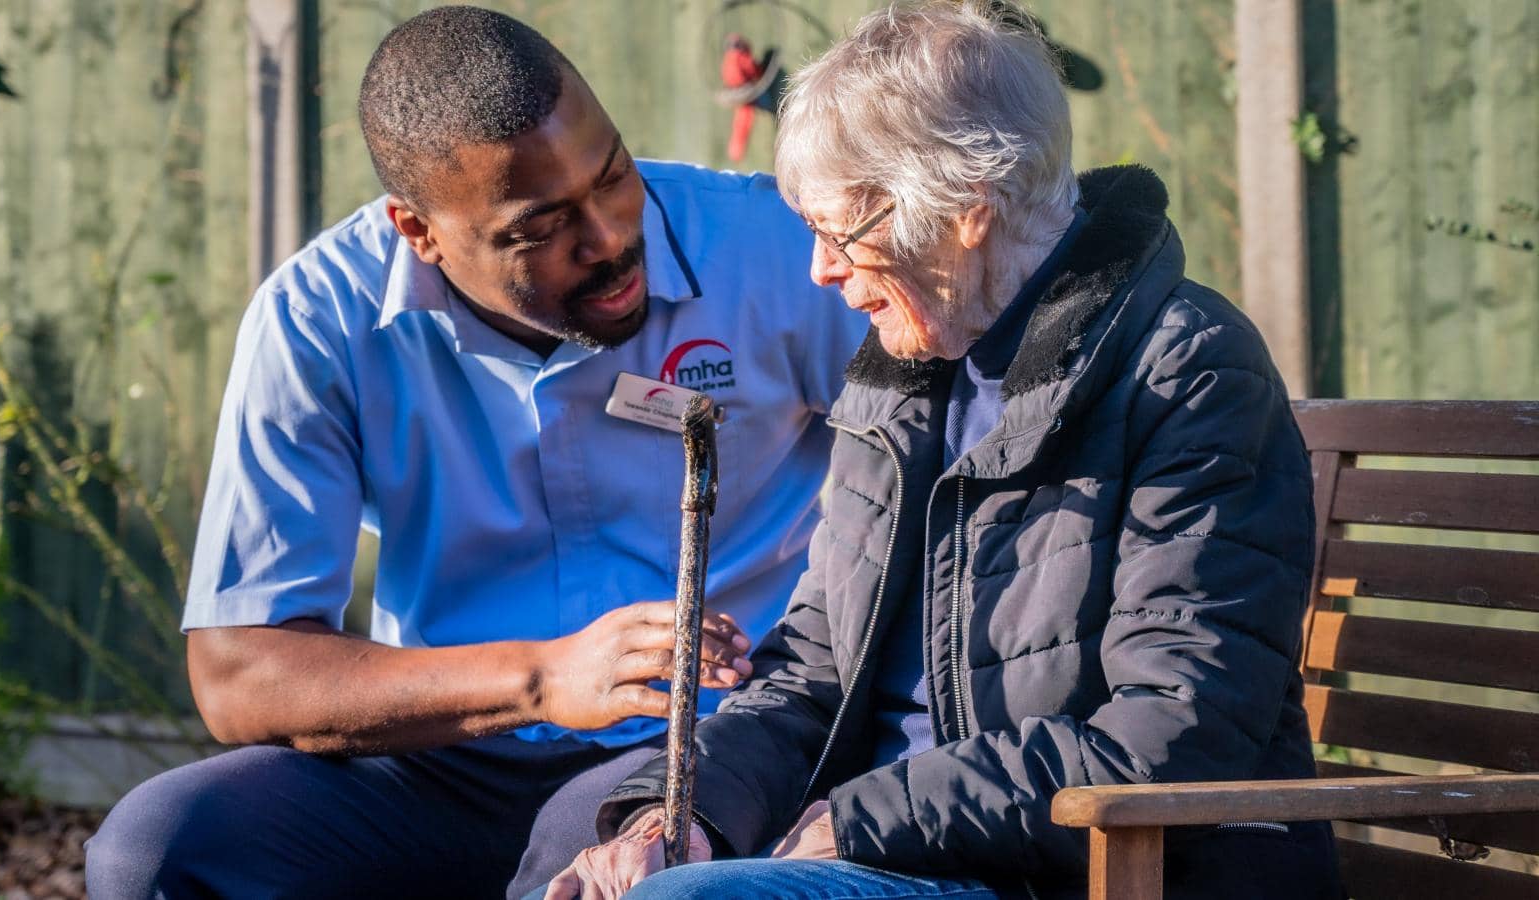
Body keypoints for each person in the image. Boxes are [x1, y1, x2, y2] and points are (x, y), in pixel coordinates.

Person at [546, 3, 1344, 898]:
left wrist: (862, 820)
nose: (820, 270)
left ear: (967, 211)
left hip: (1063, 872)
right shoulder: (904, 376)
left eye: (841, 232)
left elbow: (1172, 737)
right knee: (583, 856)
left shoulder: (1185, 370)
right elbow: (813, 672)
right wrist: (682, 813)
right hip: (891, 847)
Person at [82, 6, 864, 899]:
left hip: (709, 747)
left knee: (596, 864)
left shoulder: (774, 253)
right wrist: (542, 677)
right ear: (419, 231)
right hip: (436, 756)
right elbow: (239, 673)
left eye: (613, 175)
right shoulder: (315, 320)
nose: (610, 237)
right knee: (155, 852)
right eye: (539, 228)